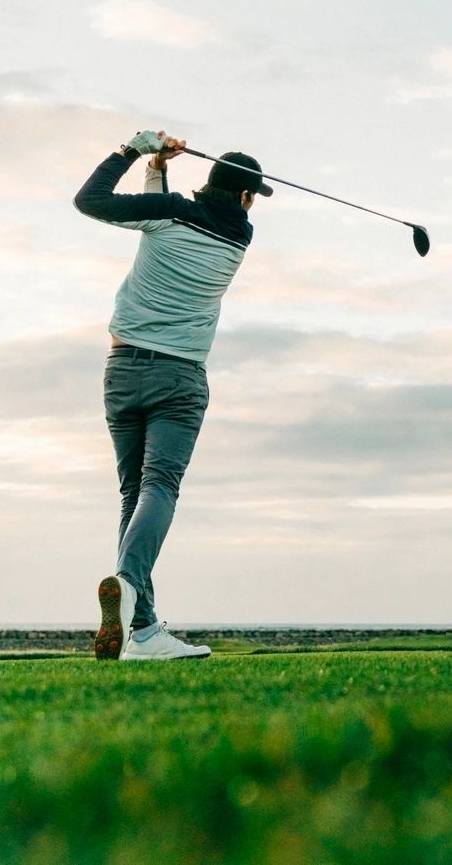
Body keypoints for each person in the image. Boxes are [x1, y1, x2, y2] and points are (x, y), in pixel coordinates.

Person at [72, 128, 273, 660]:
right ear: (246, 198)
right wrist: (157, 171)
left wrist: (135, 151)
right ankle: (131, 587)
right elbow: (161, 213)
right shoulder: (238, 236)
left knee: (132, 494)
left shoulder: (170, 213)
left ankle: (141, 632)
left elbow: (91, 202)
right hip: (179, 379)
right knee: (159, 486)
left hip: (121, 371)